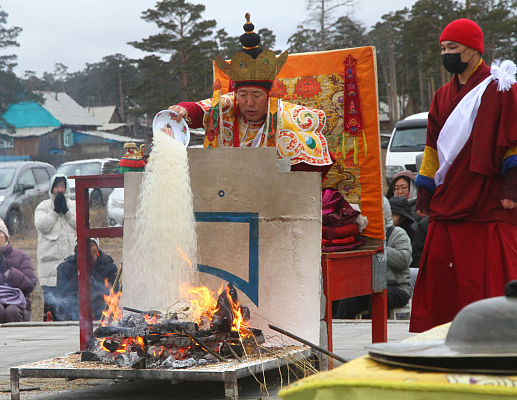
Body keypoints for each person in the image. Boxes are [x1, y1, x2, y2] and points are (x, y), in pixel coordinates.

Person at [410, 19, 517, 333]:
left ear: (474, 49)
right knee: (444, 277)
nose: (447, 54)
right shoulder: (442, 95)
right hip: (448, 199)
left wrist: (513, 186)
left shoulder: (501, 87)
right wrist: (425, 191)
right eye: (443, 48)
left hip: (490, 198)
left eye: (453, 48)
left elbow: (513, 138)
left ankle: (497, 336)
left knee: (488, 277)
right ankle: (440, 335)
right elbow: (432, 149)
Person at [168, 14, 333, 174]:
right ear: (236, 94)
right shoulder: (229, 105)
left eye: (256, 94)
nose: (249, 103)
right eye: (243, 94)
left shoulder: (288, 117)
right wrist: (183, 110)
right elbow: (199, 110)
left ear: (269, 96)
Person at [335, 197, 412, 318]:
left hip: (396, 287)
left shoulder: (398, 233)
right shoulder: (362, 235)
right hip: (368, 287)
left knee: (379, 297)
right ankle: (339, 332)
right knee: (348, 299)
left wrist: (380, 248)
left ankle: (379, 335)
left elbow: (404, 260)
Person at [34, 174, 77, 320]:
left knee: (70, 304)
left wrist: (66, 211)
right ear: (51, 188)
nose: (60, 189)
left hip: (70, 266)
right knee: (52, 306)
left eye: (62, 186)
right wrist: (54, 212)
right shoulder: (43, 206)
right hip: (50, 266)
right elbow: (41, 225)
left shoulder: (74, 205)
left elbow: (82, 224)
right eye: (57, 186)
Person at [54, 238, 119, 321]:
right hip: (73, 314)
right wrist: (81, 272)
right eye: (82, 246)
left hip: (101, 314)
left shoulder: (109, 268)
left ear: (97, 248)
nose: (86, 249)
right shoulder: (64, 268)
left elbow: (112, 293)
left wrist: (91, 272)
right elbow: (62, 294)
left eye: (90, 245)